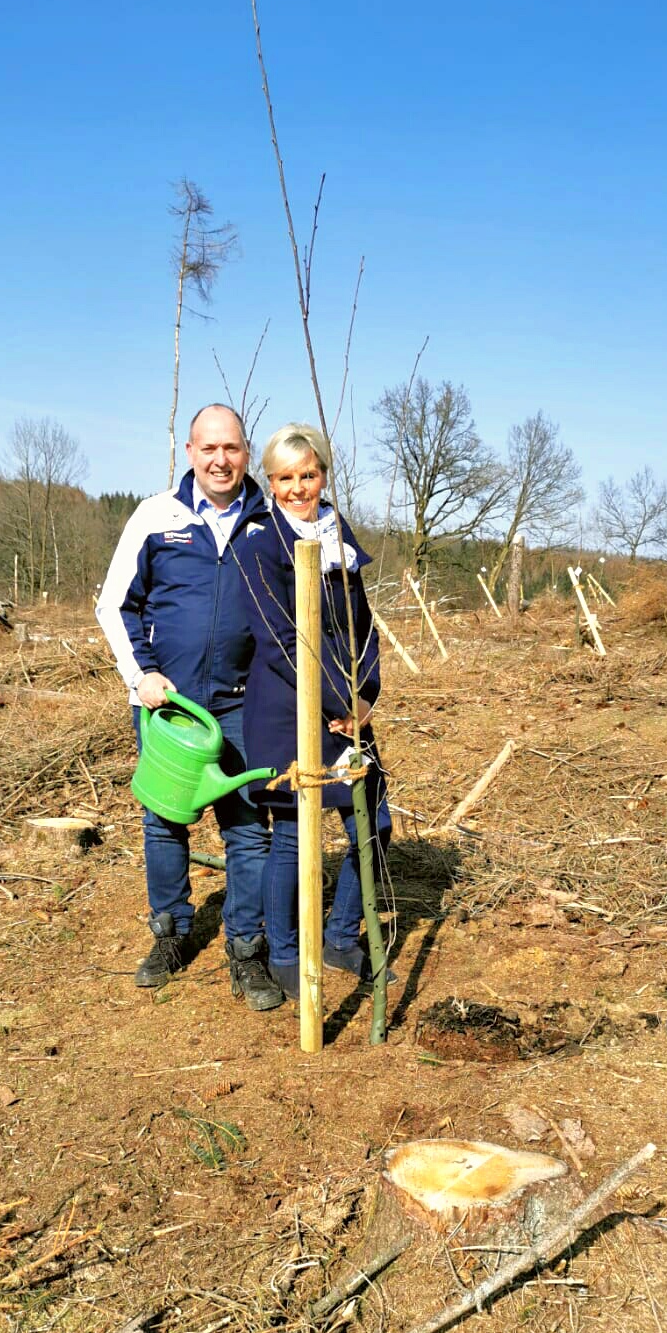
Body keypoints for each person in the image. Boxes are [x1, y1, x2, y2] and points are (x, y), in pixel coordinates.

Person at [95, 404, 284, 1011]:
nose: (220, 460)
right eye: (209, 448)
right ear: (190, 453)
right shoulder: (157, 517)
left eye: (231, 448)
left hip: (243, 708)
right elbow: (114, 604)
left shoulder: (271, 522)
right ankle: (171, 933)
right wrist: (141, 675)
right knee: (164, 821)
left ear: (246, 452)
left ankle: (246, 949)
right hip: (170, 710)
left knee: (248, 831)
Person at [232, 421, 392, 1001]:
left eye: (309, 474)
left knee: (373, 823)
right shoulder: (258, 546)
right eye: (285, 478)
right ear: (270, 482)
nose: (298, 488)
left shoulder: (338, 536)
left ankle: (340, 936)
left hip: (348, 707)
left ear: (324, 474)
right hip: (287, 707)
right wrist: (336, 701)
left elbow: (363, 625)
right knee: (293, 836)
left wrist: (365, 696)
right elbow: (280, 641)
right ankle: (283, 953)